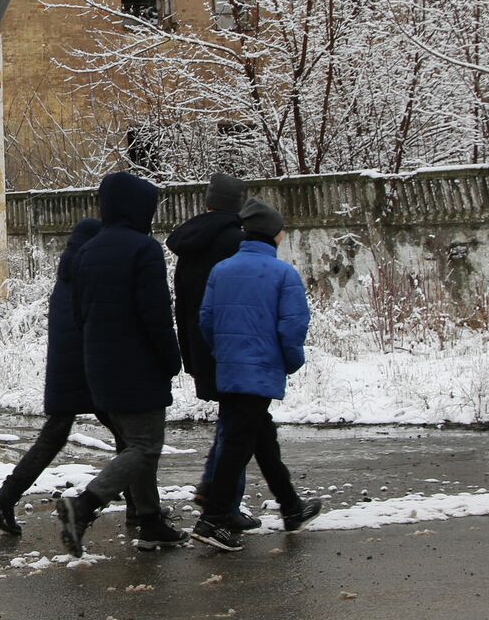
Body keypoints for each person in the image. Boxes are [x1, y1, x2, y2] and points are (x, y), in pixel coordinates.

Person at [53, 172, 186, 555]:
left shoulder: (89, 250)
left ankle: (149, 520)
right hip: (138, 365)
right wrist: (170, 358)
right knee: (144, 447)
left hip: (99, 365)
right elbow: (156, 314)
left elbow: (79, 313)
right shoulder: (143, 249)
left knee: (132, 444)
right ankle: (83, 507)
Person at [0, 218, 138, 535]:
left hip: (66, 370)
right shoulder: (89, 275)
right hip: (88, 369)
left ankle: (6, 496)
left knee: (62, 436)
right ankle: (140, 511)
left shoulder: (66, 275)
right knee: (132, 440)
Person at [192, 199, 324, 552]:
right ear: (275, 235)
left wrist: (225, 353)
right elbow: (293, 327)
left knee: (262, 439)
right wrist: (289, 362)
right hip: (262, 368)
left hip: (231, 367)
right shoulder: (283, 275)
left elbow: (206, 319)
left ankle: (292, 508)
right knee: (237, 444)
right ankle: (212, 520)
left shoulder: (221, 270)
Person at [167, 172, 258, 531]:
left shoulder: (189, 242)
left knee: (235, 422)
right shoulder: (236, 242)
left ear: (208, 202)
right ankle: (224, 507)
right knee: (240, 425)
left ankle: (213, 489)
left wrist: (188, 351)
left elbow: (183, 303)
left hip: (200, 345)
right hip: (232, 346)